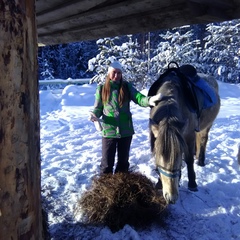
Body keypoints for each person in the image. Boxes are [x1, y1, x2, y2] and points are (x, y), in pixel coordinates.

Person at [89, 61, 161, 174]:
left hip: (125, 130)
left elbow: (138, 98)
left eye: (119, 73)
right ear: (109, 73)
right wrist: (94, 116)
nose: (116, 75)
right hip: (109, 130)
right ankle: (105, 186)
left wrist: (149, 100)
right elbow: (98, 108)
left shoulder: (127, 87)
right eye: (114, 72)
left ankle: (120, 185)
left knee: (123, 163)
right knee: (107, 163)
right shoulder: (102, 89)